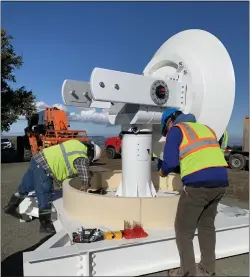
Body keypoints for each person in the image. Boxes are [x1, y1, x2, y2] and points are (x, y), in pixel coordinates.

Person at [158, 108, 229, 277]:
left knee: (183, 231)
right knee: (206, 227)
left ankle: (187, 272)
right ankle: (207, 270)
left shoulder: (177, 130)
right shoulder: (206, 128)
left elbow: (169, 162)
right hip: (220, 182)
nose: (167, 132)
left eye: (165, 130)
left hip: (197, 186)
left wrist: (161, 172)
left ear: (170, 122)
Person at [4, 139, 101, 234]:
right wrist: (84, 189)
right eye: (92, 160)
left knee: (26, 186)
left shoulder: (77, 145)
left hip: (37, 158)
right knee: (45, 193)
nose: (90, 161)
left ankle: (11, 206)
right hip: (45, 166)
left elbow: (67, 162)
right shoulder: (82, 157)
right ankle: (45, 225)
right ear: (91, 154)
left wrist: (87, 173)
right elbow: (85, 178)